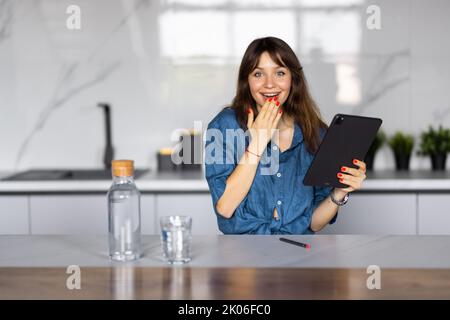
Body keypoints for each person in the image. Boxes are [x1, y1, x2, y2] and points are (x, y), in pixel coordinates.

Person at [204, 37, 366, 234]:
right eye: (258, 74)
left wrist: (340, 191)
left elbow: (314, 223)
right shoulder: (224, 126)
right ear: (247, 81)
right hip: (241, 255)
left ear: (292, 79)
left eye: (279, 73)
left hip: (298, 251)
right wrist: (258, 143)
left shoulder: (316, 133)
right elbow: (225, 208)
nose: (269, 84)